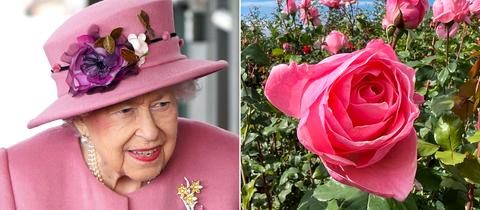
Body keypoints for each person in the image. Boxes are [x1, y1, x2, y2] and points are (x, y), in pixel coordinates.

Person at [0, 0, 239, 209]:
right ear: (80, 119)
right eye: (125, 110)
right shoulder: (15, 177)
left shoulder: (230, 159)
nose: (150, 131)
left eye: (162, 104)